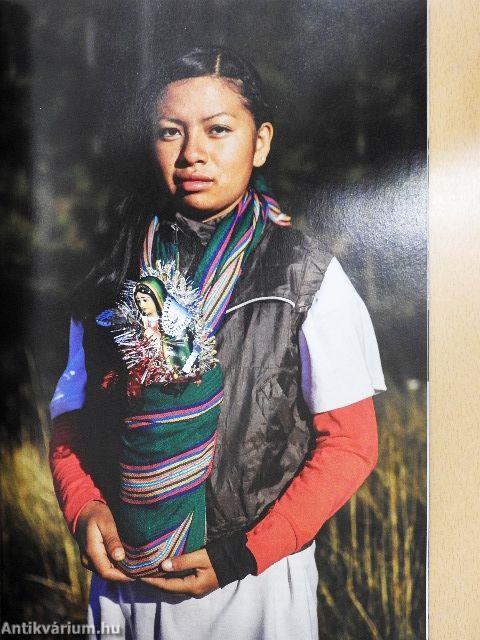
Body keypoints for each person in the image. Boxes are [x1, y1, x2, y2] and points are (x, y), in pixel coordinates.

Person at [49, 45, 386, 640]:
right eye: (170, 131)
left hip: (254, 584)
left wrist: (245, 553)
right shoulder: (111, 278)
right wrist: (84, 508)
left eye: (219, 129)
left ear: (260, 142)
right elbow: (71, 423)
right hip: (127, 583)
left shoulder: (303, 275)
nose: (192, 153)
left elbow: (351, 445)